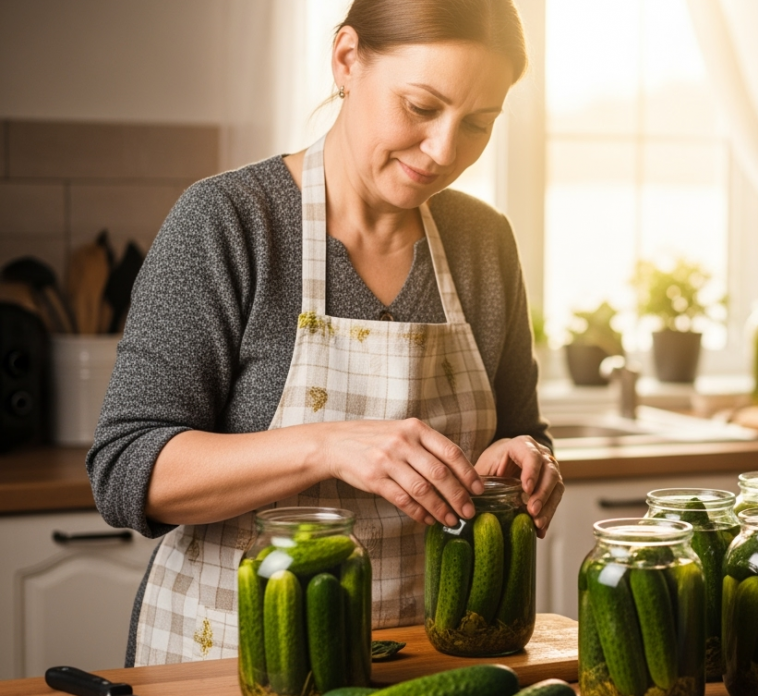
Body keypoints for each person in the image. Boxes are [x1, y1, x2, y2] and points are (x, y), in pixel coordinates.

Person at [86, 0, 562, 666]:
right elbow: (125, 469)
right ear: (346, 60)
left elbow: (519, 430)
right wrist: (328, 446)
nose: (445, 151)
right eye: (422, 107)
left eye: (479, 123)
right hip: (233, 659)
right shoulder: (229, 222)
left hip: (430, 662)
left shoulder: (483, 242)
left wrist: (527, 459)